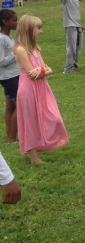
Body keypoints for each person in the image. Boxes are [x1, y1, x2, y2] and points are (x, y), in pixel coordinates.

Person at [13, 15, 69, 164]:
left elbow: (46, 69)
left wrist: (42, 71)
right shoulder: (20, 50)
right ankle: (33, 157)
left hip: (42, 88)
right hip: (28, 89)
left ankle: (45, 143)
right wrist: (42, 71)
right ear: (28, 30)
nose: (41, 31)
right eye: (38, 28)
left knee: (53, 117)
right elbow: (32, 74)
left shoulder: (36, 48)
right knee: (30, 121)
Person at [0, 10, 20, 143]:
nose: (16, 23)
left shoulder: (9, 37)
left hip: (14, 75)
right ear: (5, 22)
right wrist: (17, 53)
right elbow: (1, 61)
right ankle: (12, 138)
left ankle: (10, 137)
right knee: (21, 106)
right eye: (14, 20)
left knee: (11, 107)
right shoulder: (1, 39)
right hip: (9, 77)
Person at [61, 0, 85, 73]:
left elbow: (77, 16)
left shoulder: (76, 1)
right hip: (70, 27)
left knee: (78, 48)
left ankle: (74, 66)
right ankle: (68, 69)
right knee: (71, 49)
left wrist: (82, 27)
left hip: (78, 26)